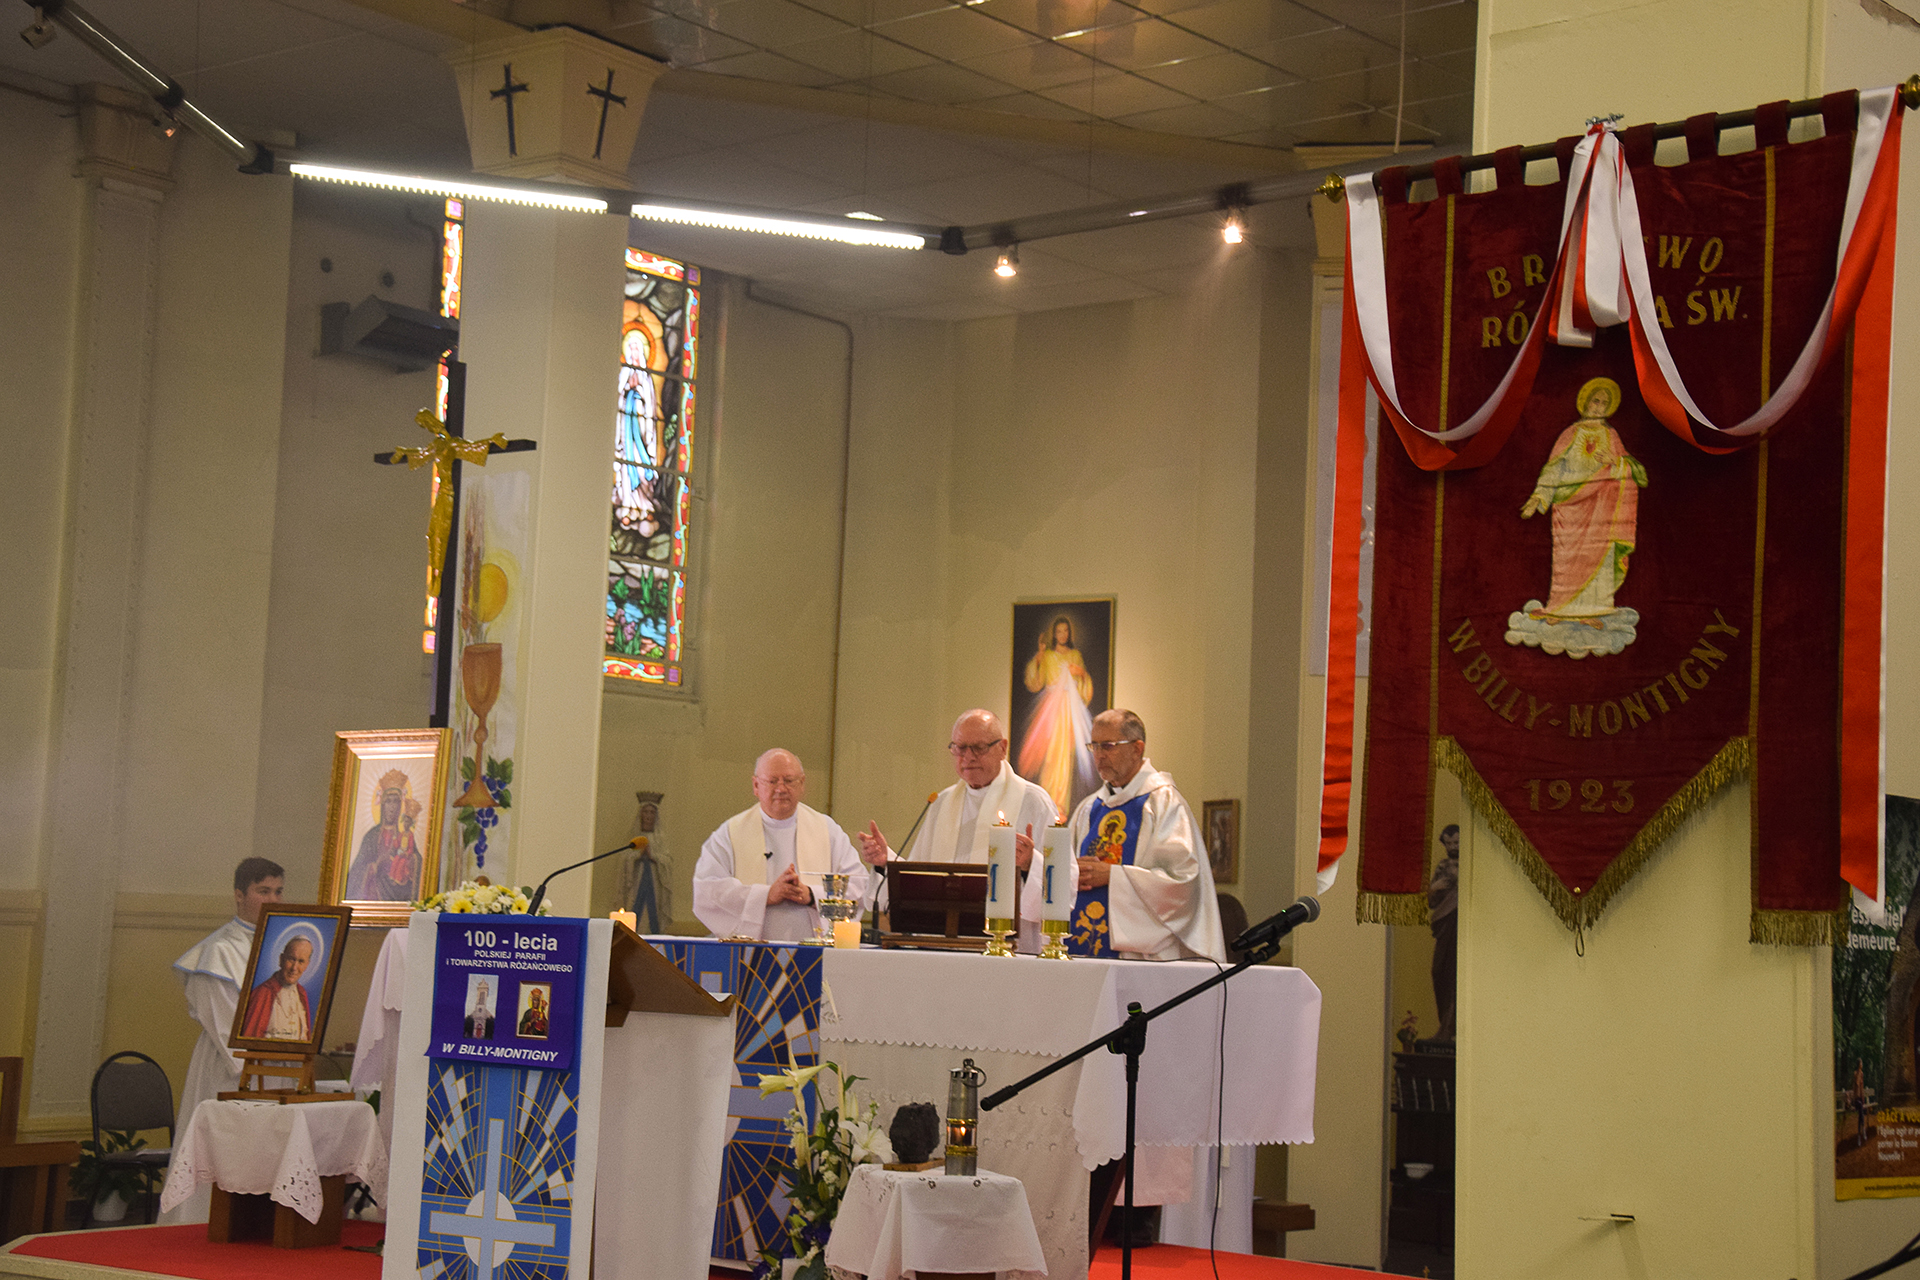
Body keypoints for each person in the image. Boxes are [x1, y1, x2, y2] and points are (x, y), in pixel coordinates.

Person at [857, 710, 1057, 947]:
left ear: (1002, 748)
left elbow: (1063, 882)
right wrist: (886, 862)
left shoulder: (1033, 801)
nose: (968, 757)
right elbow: (922, 879)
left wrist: (1029, 865)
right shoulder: (941, 802)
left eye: (979, 748)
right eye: (960, 748)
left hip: (1009, 948)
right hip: (941, 944)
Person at [162, 857, 283, 1225]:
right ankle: (201, 1226)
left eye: (278, 892)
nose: (273, 900)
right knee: (220, 1156)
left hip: (278, 1068)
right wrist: (266, 1056)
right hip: (229, 1069)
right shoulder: (218, 952)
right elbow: (226, 1027)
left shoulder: (282, 946)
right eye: (263, 891)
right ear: (239, 895)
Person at [1064, 710, 1225, 961]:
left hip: (1142, 956)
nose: (1099, 755)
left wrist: (1113, 876)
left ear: (1137, 749)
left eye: (1108, 746)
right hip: (1083, 947)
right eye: (1094, 746)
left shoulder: (1164, 803)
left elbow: (1183, 883)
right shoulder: (1088, 809)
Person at [693, 749, 870, 943]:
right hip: (751, 954)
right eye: (772, 781)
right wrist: (766, 895)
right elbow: (707, 891)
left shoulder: (828, 830)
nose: (781, 788)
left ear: (802, 784)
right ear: (756, 785)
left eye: (789, 780)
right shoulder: (730, 833)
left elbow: (857, 884)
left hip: (816, 951)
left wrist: (811, 895)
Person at [1520, 377, 1647, 621]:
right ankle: (1562, 608)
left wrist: (1615, 462)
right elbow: (1554, 468)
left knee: (1599, 554)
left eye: (1604, 403)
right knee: (1567, 559)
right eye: (1595, 401)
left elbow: (1636, 472)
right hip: (1569, 507)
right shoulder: (1570, 434)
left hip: (1602, 508)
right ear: (1586, 402)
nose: (1599, 407)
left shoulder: (1611, 435)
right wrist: (1539, 496)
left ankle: (1596, 609)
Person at [1017, 616, 1098, 818]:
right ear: (1054, 634)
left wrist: (1081, 673)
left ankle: (1060, 806)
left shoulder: (1075, 655)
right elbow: (1035, 683)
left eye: (1066, 631)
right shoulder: (1048, 656)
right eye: (1059, 631)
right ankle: (1046, 803)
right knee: (1050, 755)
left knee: (1064, 756)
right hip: (1050, 709)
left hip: (1068, 710)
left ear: (1069, 633)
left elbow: (1084, 689)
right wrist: (1038, 658)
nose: (1062, 635)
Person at [346, 769, 422, 901]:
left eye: (396, 802)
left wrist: (411, 861)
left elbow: (418, 861)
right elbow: (357, 872)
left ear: (400, 806)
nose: (392, 807)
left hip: (400, 896)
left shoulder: (405, 835)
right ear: (382, 805)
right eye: (388, 801)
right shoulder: (372, 836)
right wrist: (374, 866)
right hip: (373, 896)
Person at [241, 934, 314, 1040]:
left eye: (301, 961)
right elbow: (250, 1038)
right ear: (281, 959)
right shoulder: (263, 993)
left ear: (307, 965)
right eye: (291, 959)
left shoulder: (301, 993)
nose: (294, 968)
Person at [1429, 824, 1460, 1042]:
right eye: (1448, 843)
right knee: (1439, 972)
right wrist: (1435, 888)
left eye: (1456, 842)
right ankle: (1444, 1026)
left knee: (1454, 975)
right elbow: (1432, 902)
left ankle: (1451, 1030)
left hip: (1459, 923)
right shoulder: (1443, 866)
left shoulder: (1470, 865)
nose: (1452, 847)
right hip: (1444, 923)